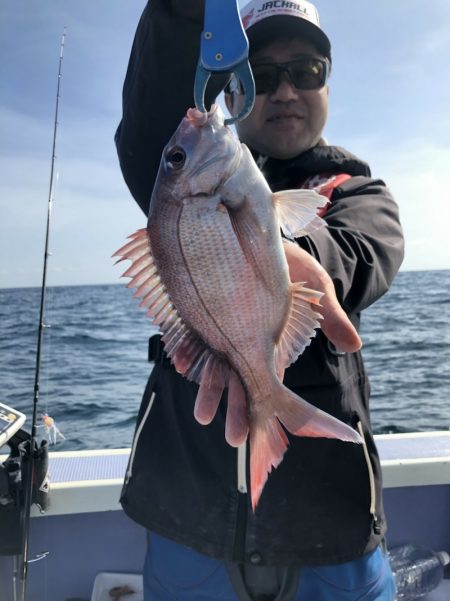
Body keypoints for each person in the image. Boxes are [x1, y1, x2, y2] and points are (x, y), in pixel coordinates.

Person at [115, 0, 404, 599]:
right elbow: (151, 123)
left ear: (328, 79)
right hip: (185, 514)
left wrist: (291, 252)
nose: (285, 91)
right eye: (264, 76)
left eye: (305, 71)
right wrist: (179, 13)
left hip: (333, 523)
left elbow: (359, 252)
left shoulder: (359, 191)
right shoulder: (177, 167)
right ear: (234, 88)